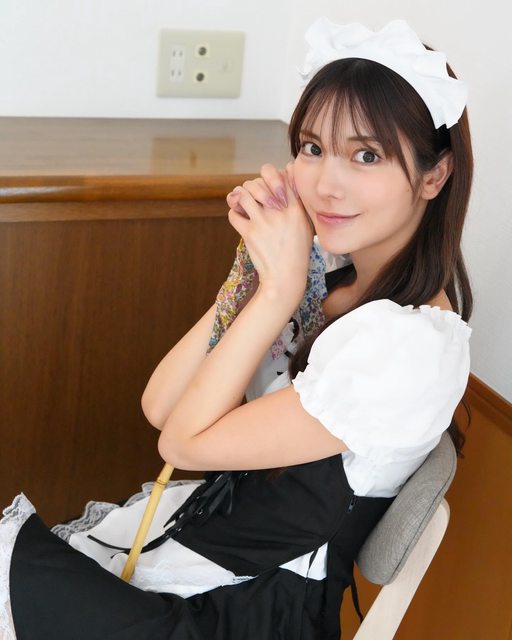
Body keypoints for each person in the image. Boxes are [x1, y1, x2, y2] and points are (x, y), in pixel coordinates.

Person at [1, 17, 473, 640]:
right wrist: (252, 277)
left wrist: (278, 291)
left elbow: (182, 445)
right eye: (312, 148)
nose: (326, 184)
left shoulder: (408, 350)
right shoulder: (334, 283)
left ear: (435, 175)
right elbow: (162, 405)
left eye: (366, 155)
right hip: (200, 560)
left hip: (243, 614)